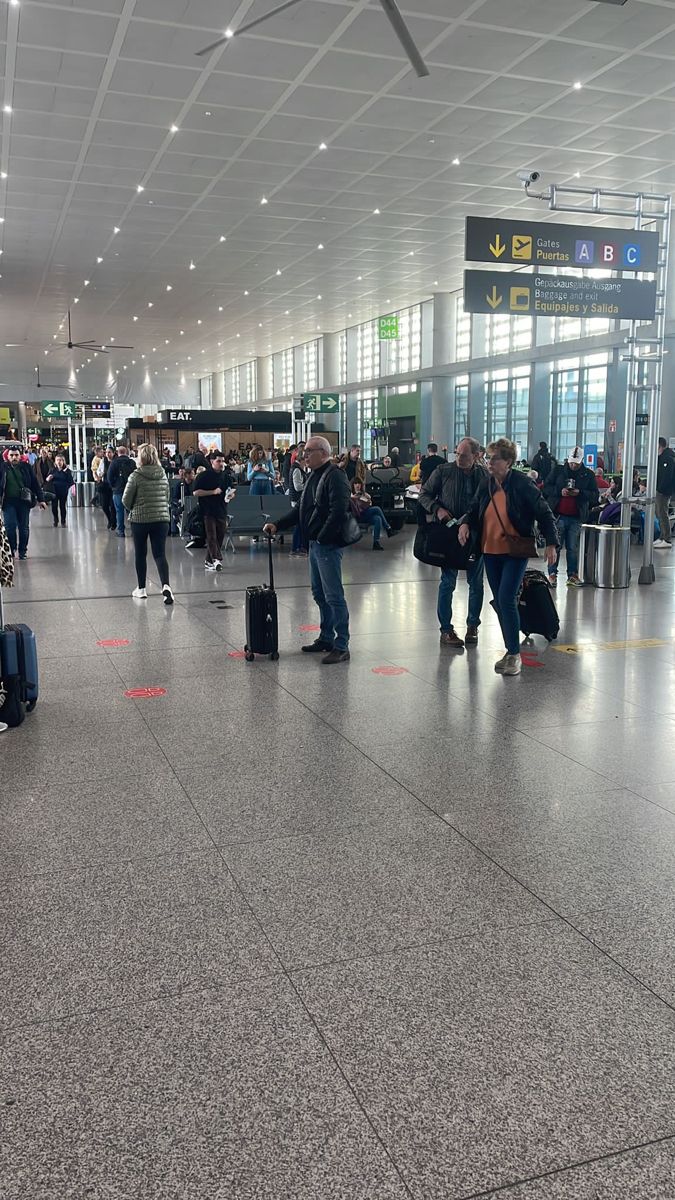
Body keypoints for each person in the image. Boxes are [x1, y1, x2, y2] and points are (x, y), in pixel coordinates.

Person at [459, 438, 558, 677]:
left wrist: (552, 543)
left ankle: (514, 654)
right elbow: (474, 509)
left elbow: (544, 513)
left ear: (509, 462)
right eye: (489, 458)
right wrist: (465, 524)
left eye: (495, 459)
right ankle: (511, 650)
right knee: (502, 601)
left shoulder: (522, 484)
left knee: (506, 598)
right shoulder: (487, 484)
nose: (489, 462)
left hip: (514, 551)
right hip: (490, 551)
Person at [263, 436, 352, 664]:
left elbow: (338, 511)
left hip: (327, 545)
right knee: (319, 594)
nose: (304, 456)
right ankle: (326, 637)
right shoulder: (313, 475)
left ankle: (341, 645)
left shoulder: (336, 476)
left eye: (309, 451)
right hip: (315, 545)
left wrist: (322, 537)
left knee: (334, 596)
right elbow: (301, 509)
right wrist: (278, 524)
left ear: (323, 453)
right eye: (304, 452)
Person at [419, 436, 487, 648]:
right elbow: (424, 494)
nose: (459, 458)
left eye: (464, 455)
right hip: (449, 533)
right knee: (447, 582)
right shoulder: (443, 471)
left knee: (476, 583)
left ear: (477, 456)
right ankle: (446, 629)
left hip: (475, 534)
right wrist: (437, 509)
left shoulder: (484, 475)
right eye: (457, 453)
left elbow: (485, 503)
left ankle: (473, 625)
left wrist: (470, 522)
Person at [121, 443, 173, 604]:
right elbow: (167, 496)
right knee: (160, 554)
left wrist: (134, 508)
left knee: (140, 553)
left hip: (140, 520)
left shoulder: (136, 475)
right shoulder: (163, 473)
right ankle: (166, 585)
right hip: (161, 519)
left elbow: (125, 500)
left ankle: (142, 589)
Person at [543, 446, 598, 587]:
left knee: (573, 548)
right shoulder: (558, 471)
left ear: (582, 461)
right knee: (555, 547)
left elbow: (594, 496)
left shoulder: (588, 475)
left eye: (576, 463)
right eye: (571, 462)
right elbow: (546, 488)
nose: (573, 465)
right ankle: (552, 574)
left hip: (576, 517)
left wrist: (580, 493)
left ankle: (572, 575)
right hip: (558, 516)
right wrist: (559, 491)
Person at [0, 445, 46, 559]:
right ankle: (12, 549)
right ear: (7, 456)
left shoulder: (26, 467)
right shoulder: (3, 467)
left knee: (23, 527)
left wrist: (41, 499)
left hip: (23, 502)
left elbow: (35, 483)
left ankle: (22, 551)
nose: (14, 457)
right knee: (10, 526)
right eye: (11, 455)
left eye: (16, 455)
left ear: (20, 456)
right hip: (8, 502)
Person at [193, 452, 235, 571]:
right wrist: (212, 492)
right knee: (211, 535)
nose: (221, 464)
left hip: (221, 509)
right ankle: (216, 560)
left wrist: (230, 495)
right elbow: (196, 492)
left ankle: (208, 561)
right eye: (218, 461)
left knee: (220, 535)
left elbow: (231, 490)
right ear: (212, 462)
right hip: (207, 510)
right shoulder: (203, 476)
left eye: (222, 461)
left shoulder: (226, 476)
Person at [350, 480, 397, 550]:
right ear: (352, 485)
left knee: (378, 519)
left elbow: (369, 503)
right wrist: (357, 497)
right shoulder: (350, 494)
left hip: (365, 513)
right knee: (377, 509)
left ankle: (376, 543)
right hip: (357, 515)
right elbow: (351, 500)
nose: (357, 485)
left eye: (359, 483)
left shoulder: (364, 494)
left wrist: (366, 498)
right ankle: (388, 528)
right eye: (355, 483)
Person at [106, 445, 136, 537]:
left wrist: (114, 486)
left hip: (118, 490)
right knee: (131, 511)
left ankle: (121, 531)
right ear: (127, 452)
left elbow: (109, 477)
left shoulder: (114, 463)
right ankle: (134, 530)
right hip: (130, 489)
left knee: (119, 510)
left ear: (117, 453)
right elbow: (135, 475)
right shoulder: (131, 462)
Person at [654, 436, 675, 548]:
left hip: (664, 491)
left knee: (663, 513)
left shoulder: (668, 458)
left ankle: (666, 538)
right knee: (659, 513)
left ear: (659, 445)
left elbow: (667, 476)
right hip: (661, 490)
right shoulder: (662, 457)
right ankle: (662, 536)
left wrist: (661, 488)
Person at [289, 452, 310, 557]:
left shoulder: (296, 468)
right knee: (299, 525)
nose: (306, 464)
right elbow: (297, 487)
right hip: (297, 500)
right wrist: (308, 484)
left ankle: (298, 547)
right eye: (305, 462)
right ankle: (296, 547)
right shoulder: (297, 470)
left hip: (297, 500)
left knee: (300, 525)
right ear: (301, 460)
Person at [45, 455, 74, 526]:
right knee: (54, 506)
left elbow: (71, 481)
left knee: (62, 506)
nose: (59, 462)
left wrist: (71, 489)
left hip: (63, 491)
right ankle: (56, 519)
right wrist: (48, 478)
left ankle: (63, 521)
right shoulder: (52, 470)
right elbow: (47, 480)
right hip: (54, 491)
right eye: (57, 460)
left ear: (63, 461)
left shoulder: (67, 471)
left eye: (61, 460)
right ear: (55, 461)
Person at [170, 467, 195, 536]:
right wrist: (179, 501)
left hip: (191, 504)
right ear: (187, 475)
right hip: (180, 504)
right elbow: (174, 497)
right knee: (177, 512)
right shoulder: (179, 485)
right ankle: (176, 529)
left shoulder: (194, 484)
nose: (194, 475)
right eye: (192, 474)